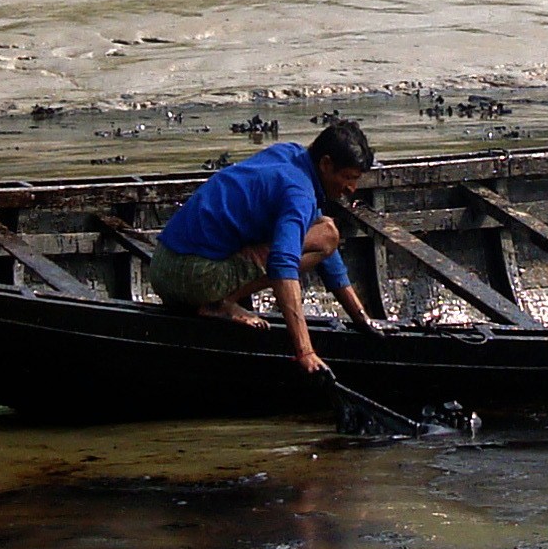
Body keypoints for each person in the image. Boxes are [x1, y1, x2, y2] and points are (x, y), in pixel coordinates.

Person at [149, 119, 387, 373]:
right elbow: (283, 264)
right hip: (191, 277)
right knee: (326, 233)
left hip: (162, 265)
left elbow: (326, 255)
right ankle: (219, 303)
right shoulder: (299, 192)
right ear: (326, 164)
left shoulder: (292, 155)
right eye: (348, 178)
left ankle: (221, 300)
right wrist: (304, 351)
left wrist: (362, 318)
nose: (352, 188)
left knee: (323, 230)